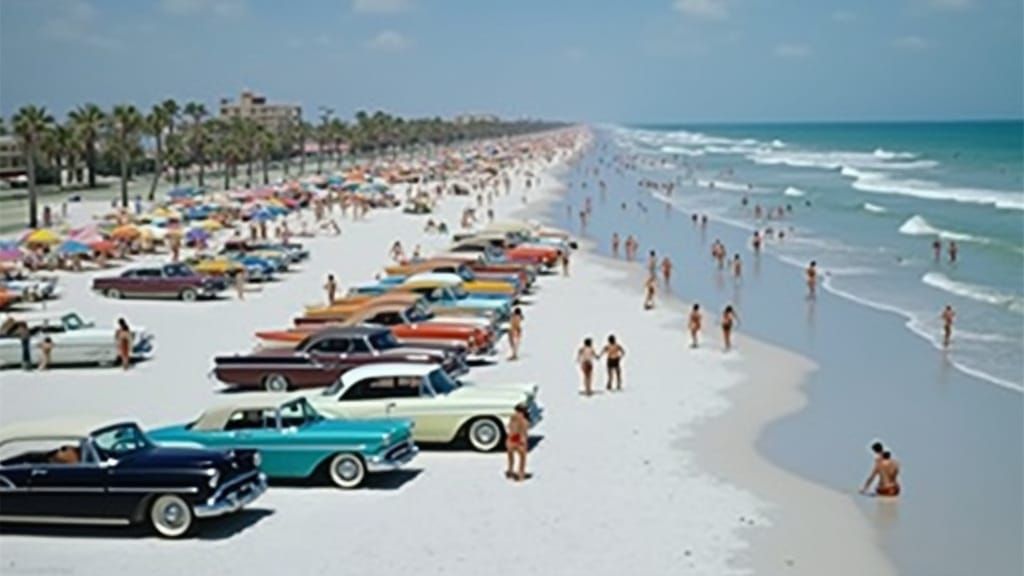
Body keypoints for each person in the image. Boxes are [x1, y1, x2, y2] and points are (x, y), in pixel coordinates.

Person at [505, 403, 530, 482]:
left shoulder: (512, 417)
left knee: (510, 456)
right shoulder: (524, 419)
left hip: (511, 439)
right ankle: (520, 474)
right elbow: (524, 431)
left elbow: (509, 427)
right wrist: (523, 440)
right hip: (519, 440)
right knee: (522, 458)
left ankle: (510, 471)